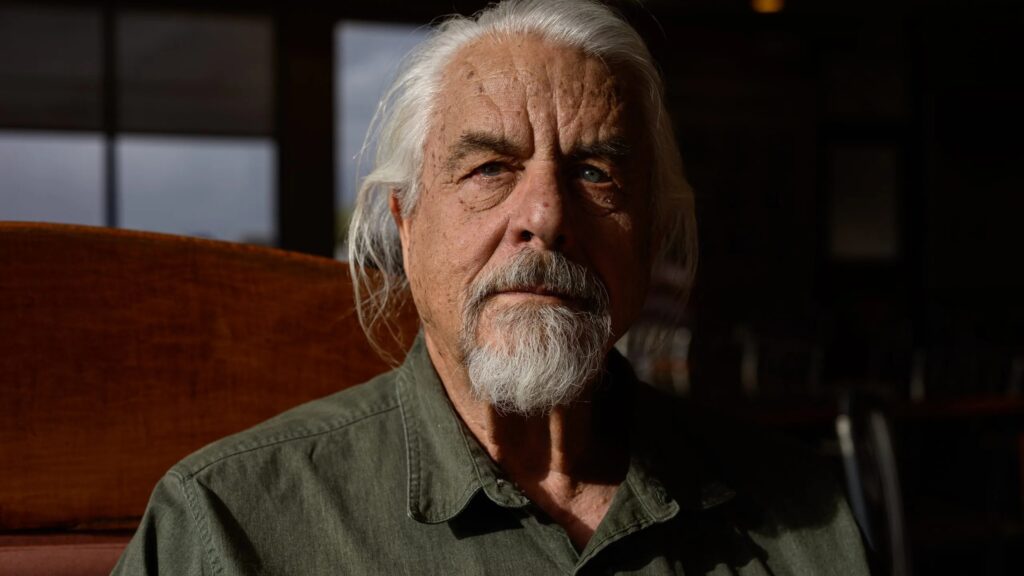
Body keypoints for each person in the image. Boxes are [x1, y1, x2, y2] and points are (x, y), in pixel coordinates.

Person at [113, 0, 870, 573]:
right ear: (406, 227)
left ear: (651, 234)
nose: (545, 216)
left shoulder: (801, 515)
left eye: (596, 173)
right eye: (489, 169)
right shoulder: (228, 523)